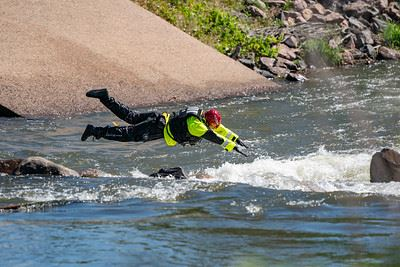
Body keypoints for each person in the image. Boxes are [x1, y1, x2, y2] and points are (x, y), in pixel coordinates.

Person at [81, 88, 248, 156]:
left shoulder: (201, 116)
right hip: (158, 128)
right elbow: (215, 137)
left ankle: (105, 97)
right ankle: (95, 130)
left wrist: (236, 139)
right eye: (213, 124)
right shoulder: (198, 126)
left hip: (159, 118)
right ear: (208, 121)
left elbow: (220, 130)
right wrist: (233, 148)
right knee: (129, 135)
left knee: (130, 116)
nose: (215, 127)